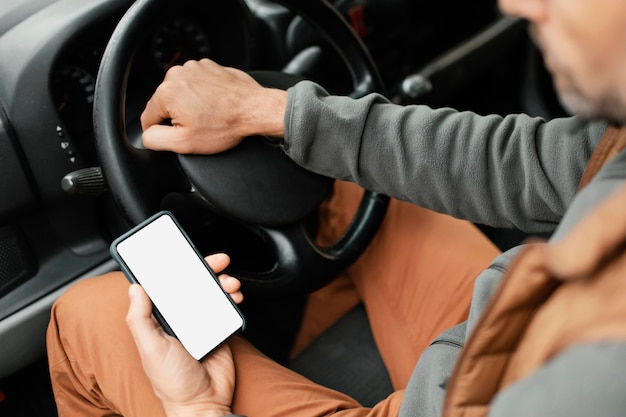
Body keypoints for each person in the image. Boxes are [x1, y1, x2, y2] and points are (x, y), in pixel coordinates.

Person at [45, 0, 626, 415]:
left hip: (479, 388)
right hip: (507, 325)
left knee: (86, 317)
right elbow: (552, 161)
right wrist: (272, 113)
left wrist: (193, 405)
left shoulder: (600, 373)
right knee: (352, 191)